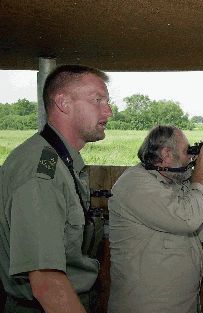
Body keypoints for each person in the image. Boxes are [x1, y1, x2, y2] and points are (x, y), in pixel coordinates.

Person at [0, 64, 113, 313]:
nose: (109, 111)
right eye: (98, 100)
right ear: (63, 103)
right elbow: (47, 284)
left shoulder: (53, 158)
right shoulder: (41, 171)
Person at [107, 125, 203, 313]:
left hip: (182, 304)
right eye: (187, 151)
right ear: (167, 154)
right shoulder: (135, 184)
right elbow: (188, 219)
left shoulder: (174, 181)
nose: (190, 157)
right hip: (146, 306)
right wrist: (201, 172)